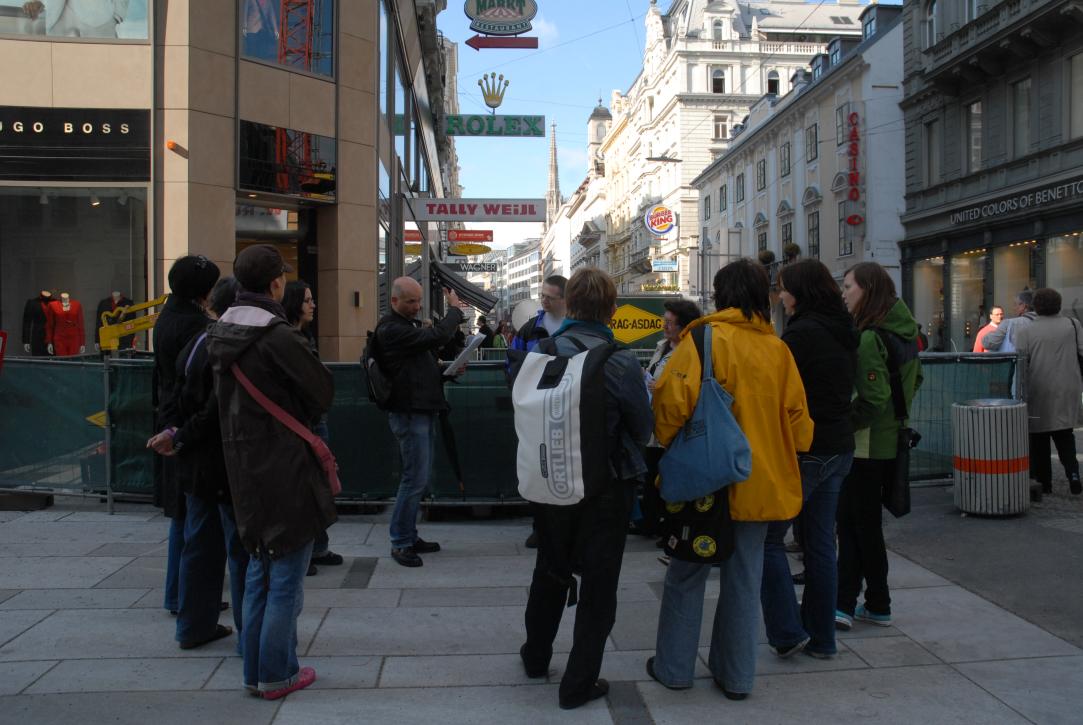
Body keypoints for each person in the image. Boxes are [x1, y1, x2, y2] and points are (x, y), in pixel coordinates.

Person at [649, 259, 813, 699]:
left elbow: (670, 406)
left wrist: (671, 446)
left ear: (721, 297)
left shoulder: (702, 338)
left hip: (707, 483)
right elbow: (799, 423)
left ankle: (675, 669)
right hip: (760, 483)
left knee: (686, 575)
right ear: (762, 298)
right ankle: (737, 676)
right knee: (744, 580)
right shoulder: (777, 349)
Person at [515, 268, 653, 710]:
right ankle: (578, 684)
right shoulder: (620, 359)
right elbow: (643, 428)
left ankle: (536, 657)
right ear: (612, 311)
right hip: (605, 488)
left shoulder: (544, 351)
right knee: (599, 584)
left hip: (551, 482)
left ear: (570, 306)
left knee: (549, 570)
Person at [206, 244, 336, 700]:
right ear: (277, 283)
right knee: (285, 579)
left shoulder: (218, 333)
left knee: (259, 569)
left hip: (240, 465)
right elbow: (320, 392)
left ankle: (255, 672)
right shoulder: (279, 336)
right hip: (284, 466)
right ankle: (278, 674)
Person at [760, 259, 858, 660]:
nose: (781, 295)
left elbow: (781, 396)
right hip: (840, 447)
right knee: (820, 545)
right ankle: (823, 639)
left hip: (806, 450)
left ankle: (787, 630)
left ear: (799, 293)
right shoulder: (844, 331)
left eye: (784, 289)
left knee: (768, 539)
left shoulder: (799, 336)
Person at [147, 277, 249, 648]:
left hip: (194, 463)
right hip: (223, 461)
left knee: (200, 547)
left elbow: (172, 394)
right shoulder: (228, 345)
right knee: (240, 553)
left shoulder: (198, 342)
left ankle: (193, 627)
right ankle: (248, 637)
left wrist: (174, 432)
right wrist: (181, 434)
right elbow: (216, 409)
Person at [835, 262, 922, 632]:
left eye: (849, 286)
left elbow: (872, 399)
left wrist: (843, 426)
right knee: (865, 527)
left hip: (865, 445)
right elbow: (915, 382)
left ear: (868, 290)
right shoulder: (906, 331)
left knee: (856, 527)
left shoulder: (870, 337)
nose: (844, 293)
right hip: (890, 441)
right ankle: (870, 603)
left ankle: (852, 603)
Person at [376, 278, 466, 567]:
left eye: (418, 301)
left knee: (418, 478)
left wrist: (447, 370)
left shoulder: (405, 327)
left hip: (419, 409)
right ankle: (401, 541)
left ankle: (408, 535)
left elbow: (419, 368)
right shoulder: (391, 329)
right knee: (413, 479)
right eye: (410, 302)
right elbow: (436, 338)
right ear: (394, 302)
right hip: (409, 412)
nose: (416, 307)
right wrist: (454, 310)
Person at [152, 255, 221, 617]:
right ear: (204, 291)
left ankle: (178, 594)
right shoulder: (197, 327)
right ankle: (187, 598)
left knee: (185, 517)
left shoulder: (166, 318)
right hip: (188, 428)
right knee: (196, 522)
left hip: (170, 421)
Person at [282, 280, 345, 576]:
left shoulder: (303, 336)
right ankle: (306, 552)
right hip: (305, 423)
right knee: (308, 488)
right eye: (308, 300)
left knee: (319, 484)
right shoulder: (289, 339)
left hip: (315, 420)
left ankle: (318, 546)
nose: (313, 305)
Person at [510, 274, 567, 549]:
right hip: (534, 412)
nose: (543, 301)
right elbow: (511, 364)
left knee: (564, 467)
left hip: (567, 411)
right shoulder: (529, 330)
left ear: (564, 300)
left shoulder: (574, 328)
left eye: (549, 297)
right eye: (542, 295)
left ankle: (564, 527)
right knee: (536, 469)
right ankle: (540, 526)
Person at [639, 298, 702, 542]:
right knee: (652, 471)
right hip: (655, 420)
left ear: (684, 325)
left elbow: (685, 386)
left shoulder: (690, 350)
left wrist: (660, 387)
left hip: (675, 425)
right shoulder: (662, 345)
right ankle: (651, 521)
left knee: (669, 475)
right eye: (663, 322)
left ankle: (669, 525)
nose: (665, 327)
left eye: (670, 323)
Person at [1014, 288, 1083, 496]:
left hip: (1038, 389)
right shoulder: (1073, 324)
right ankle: (1073, 475)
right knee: (1065, 433)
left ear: (1036, 306)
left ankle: (1045, 482)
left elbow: (1020, 362)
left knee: (1040, 438)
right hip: (1068, 387)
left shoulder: (1025, 331)